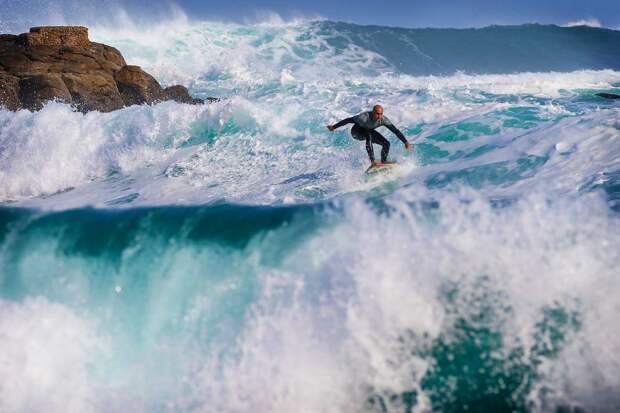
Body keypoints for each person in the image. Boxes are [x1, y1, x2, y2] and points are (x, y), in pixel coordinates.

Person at [327, 105, 412, 167]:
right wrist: (334, 127)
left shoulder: (383, 120)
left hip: (368, 131)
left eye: (381, 114)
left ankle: (383, 161)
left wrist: (405, 142)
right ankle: (373, 161)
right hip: (356, 132)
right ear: (373, 112)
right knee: (369, 135)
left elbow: (395, 131)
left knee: (386, 143)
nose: (379, 116)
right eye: (377, 114)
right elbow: (348, 120)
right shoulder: (363, 117)